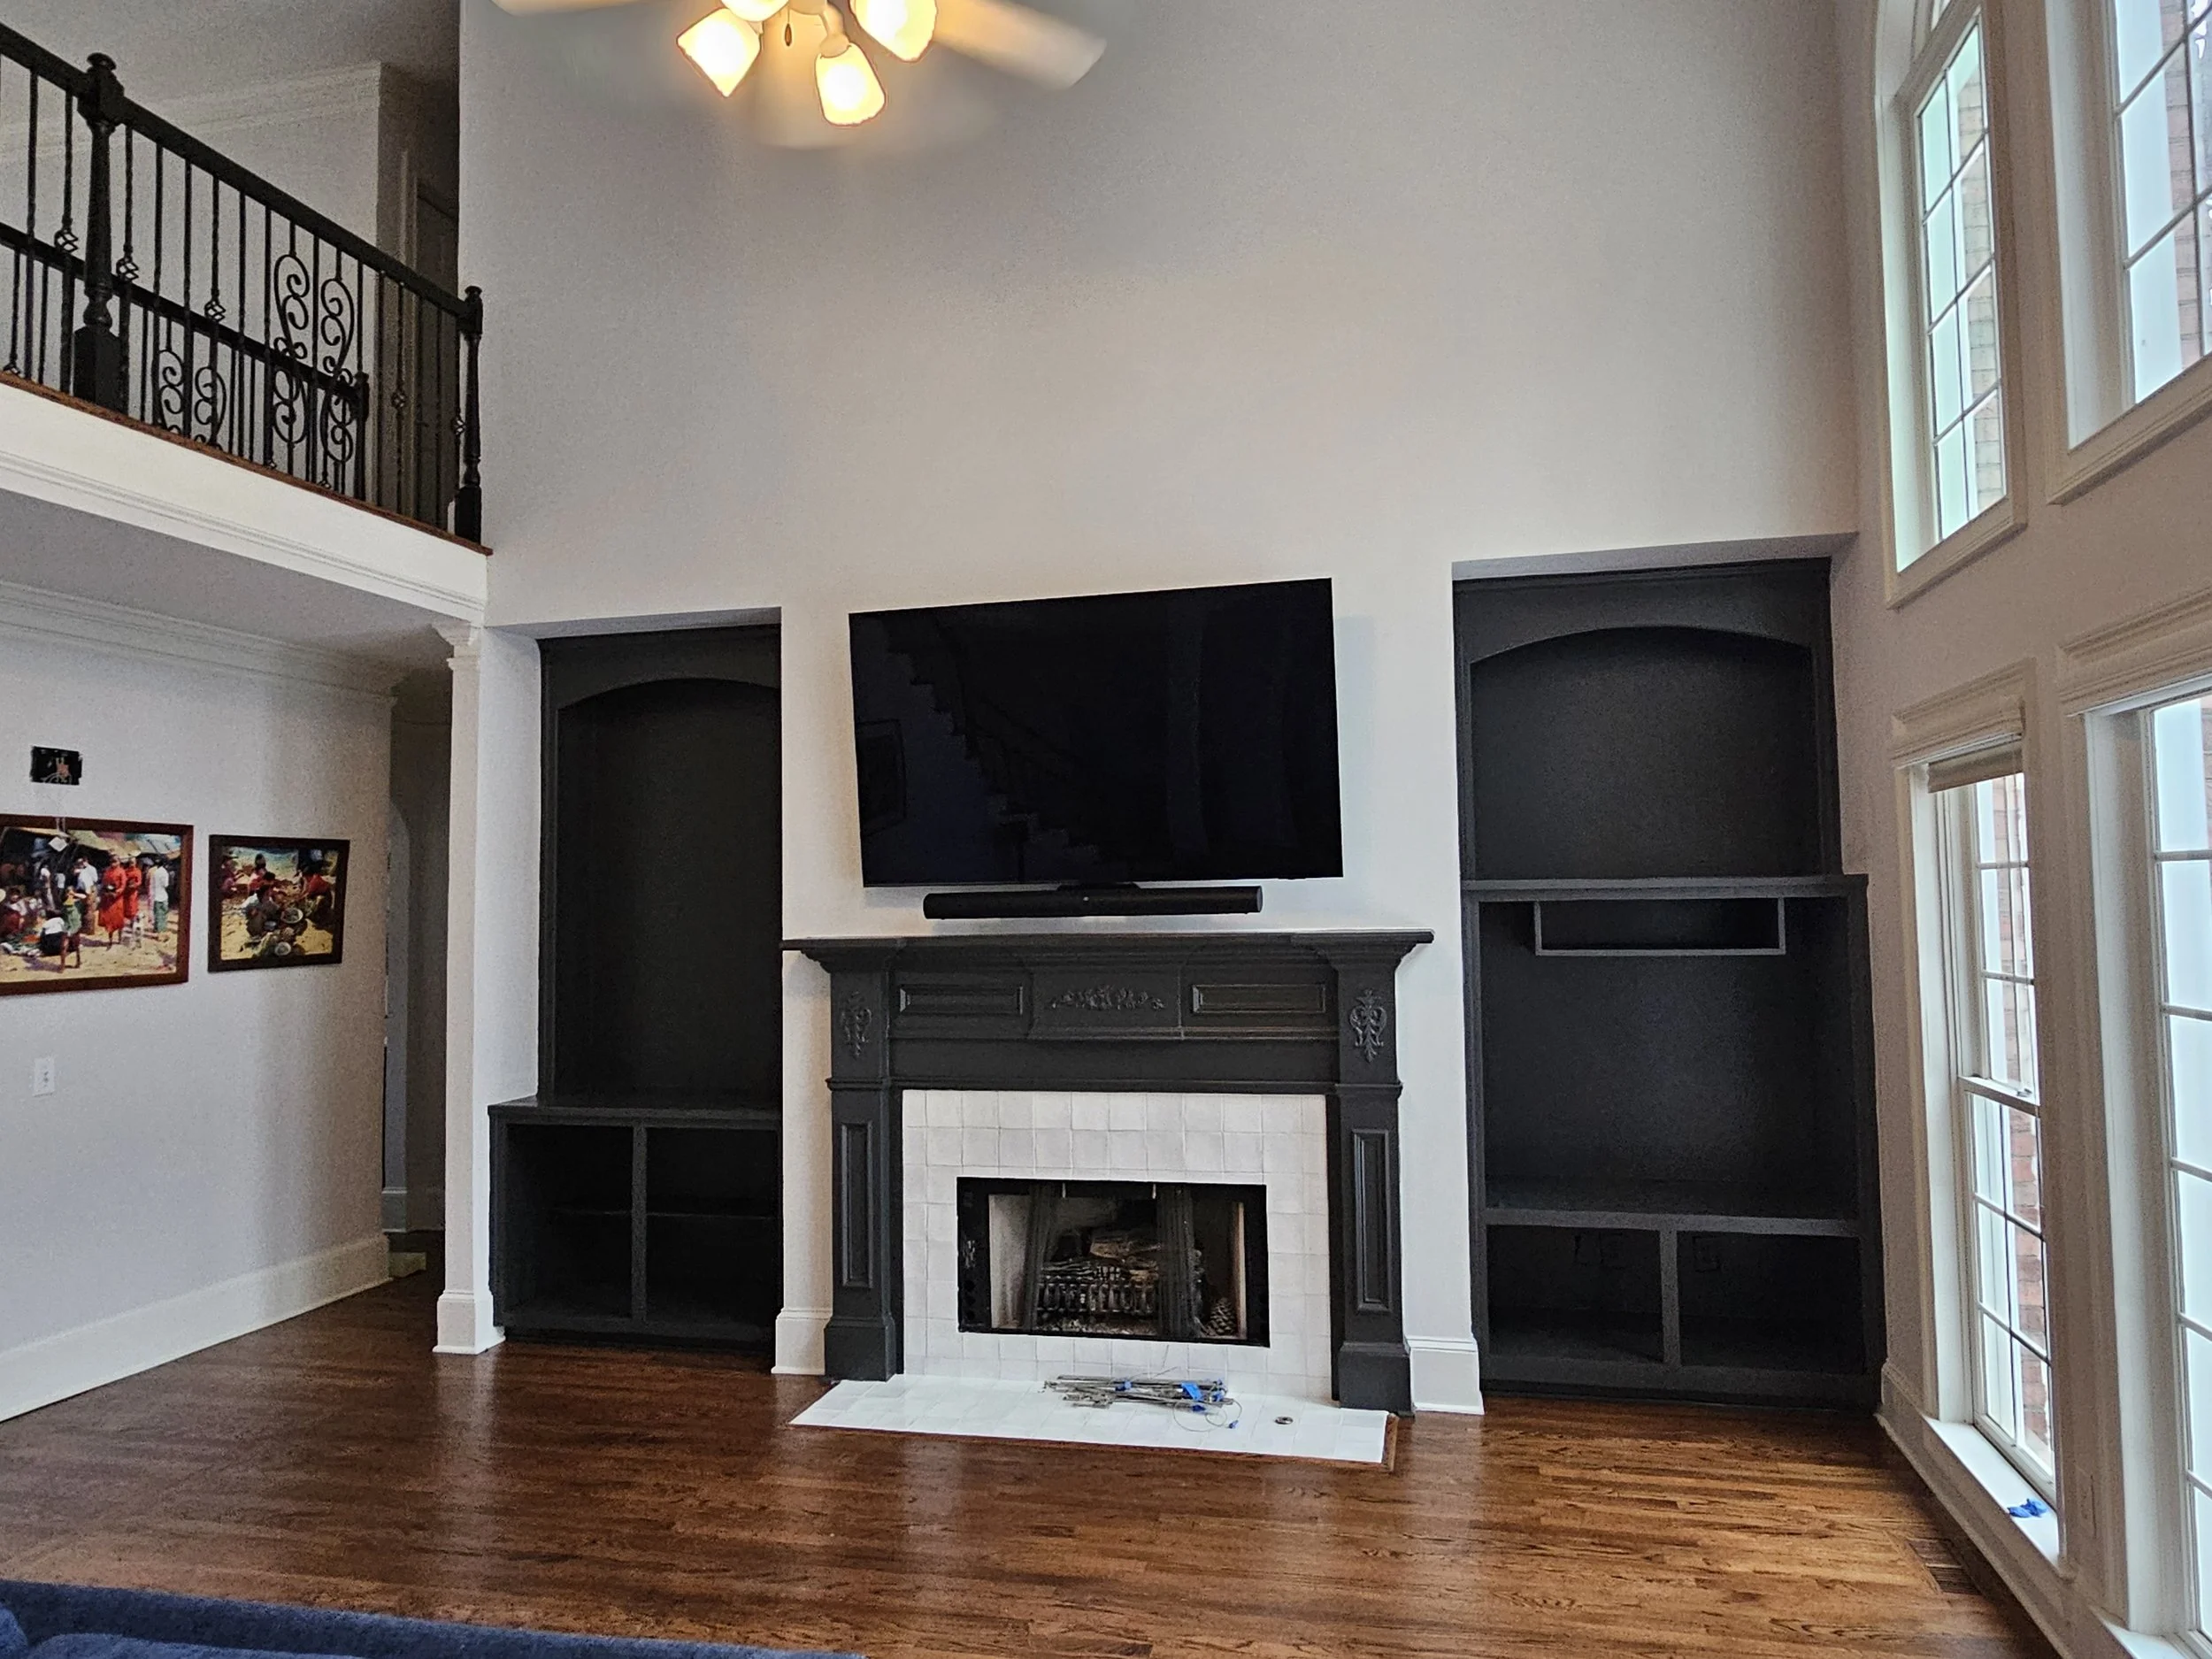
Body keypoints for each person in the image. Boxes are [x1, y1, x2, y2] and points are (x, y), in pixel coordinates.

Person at [145, 858, 171, 939]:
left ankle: (156, 929)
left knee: (157, 914)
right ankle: (161, 935)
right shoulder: (164, 872)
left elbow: (149, 883)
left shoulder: (154, 872)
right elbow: (166, 885)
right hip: (163, 896)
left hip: (155, 896)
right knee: (162, 915)